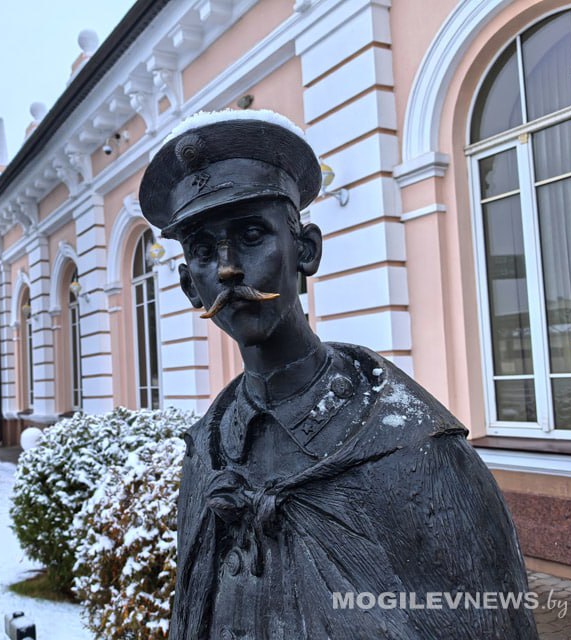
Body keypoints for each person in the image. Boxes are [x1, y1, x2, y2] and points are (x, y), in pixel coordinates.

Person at [138, 110, 539, 640]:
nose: (229, 268)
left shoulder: (415, 450)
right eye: (205, 251)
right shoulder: (207, 454)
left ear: (306, 251)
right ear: (192, 287)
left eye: (252, 234)